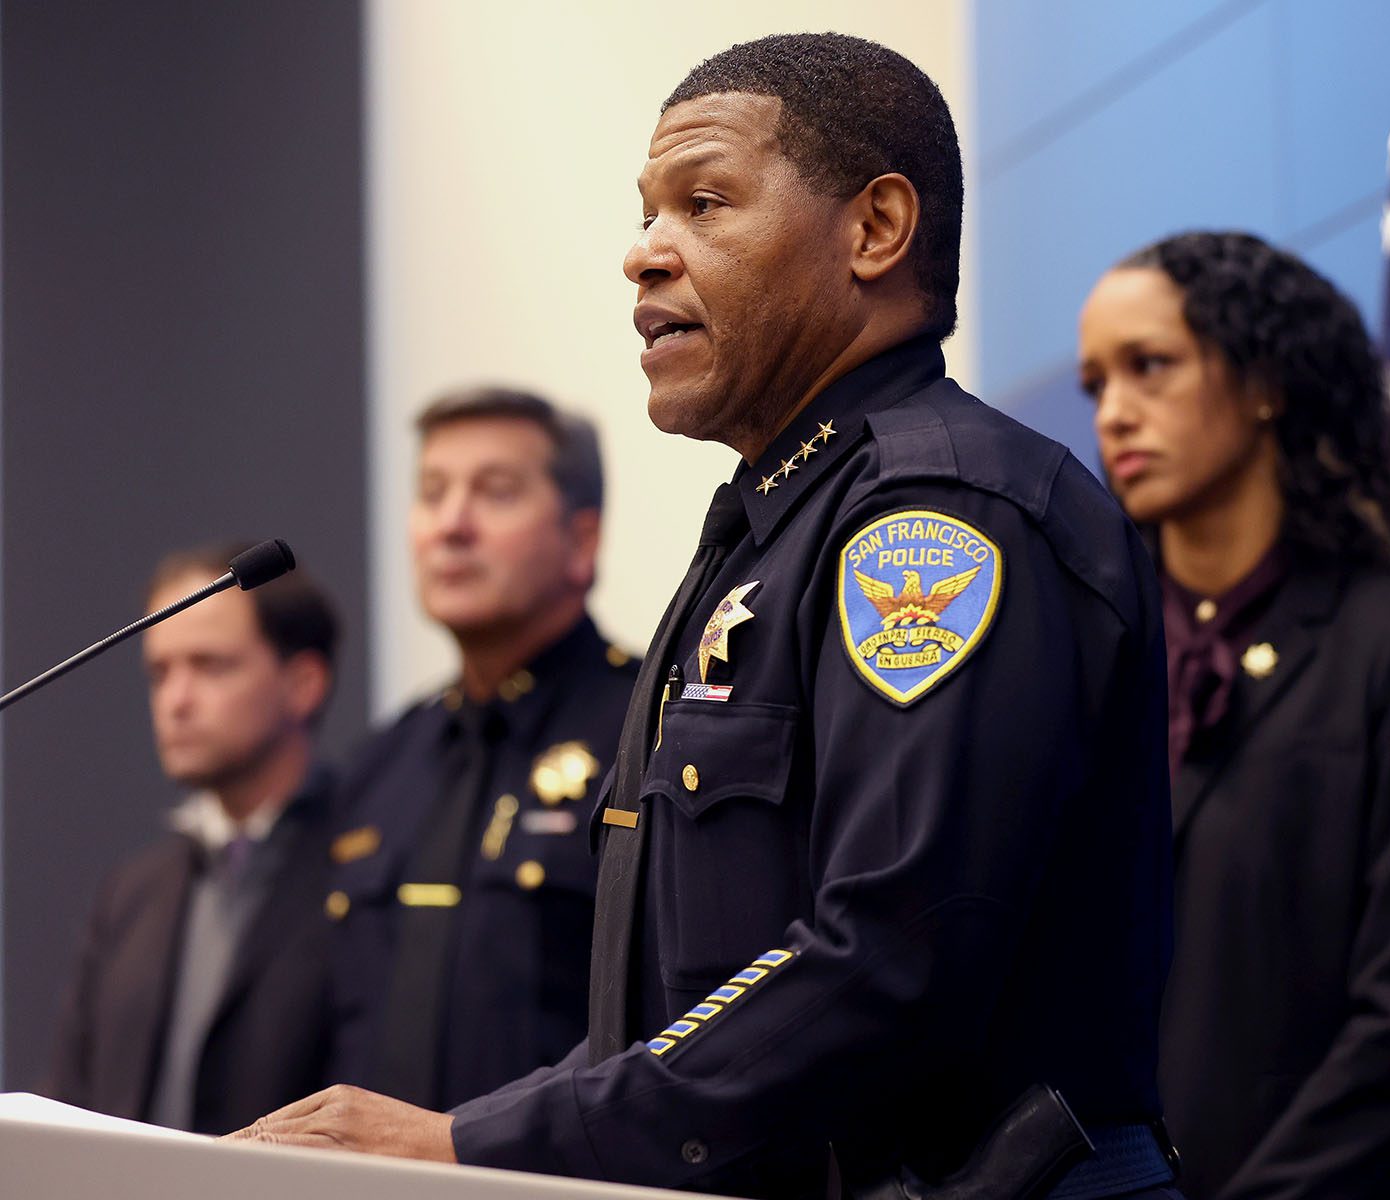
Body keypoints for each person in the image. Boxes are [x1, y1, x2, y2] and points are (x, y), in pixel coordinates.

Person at [233, 33, 1179, 1200]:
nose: (643, 255)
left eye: (706, 201)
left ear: (874, 230)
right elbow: (669, 1024)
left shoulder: (935, 520)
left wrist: (471, 1145)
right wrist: (457, 1141)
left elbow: (887, 955)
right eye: (646, 213)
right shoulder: (769, 536)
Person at [1076, 230, 1390, 1199]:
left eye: (1151, 366)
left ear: (1266, 380)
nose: (1115, 413)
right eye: (1096, 383)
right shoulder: (1093, 656)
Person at [322, 387, 640, 1111]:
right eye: (431, 494)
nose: (451, 526)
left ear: (581, 541)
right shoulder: (382, 764)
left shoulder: (645, 733)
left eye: (495, 493)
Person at [42, 544, 340, 1135]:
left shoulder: (373, 869)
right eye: (160, 673)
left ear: (302, 683)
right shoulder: (132, 893)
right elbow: (66, 1105)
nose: (176, 701)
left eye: (209, 665)